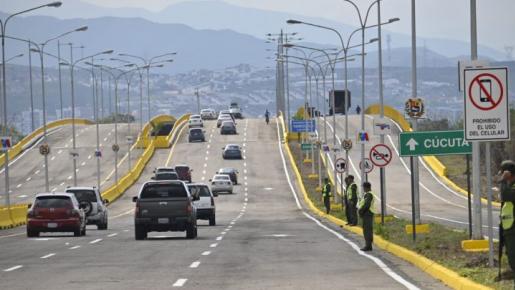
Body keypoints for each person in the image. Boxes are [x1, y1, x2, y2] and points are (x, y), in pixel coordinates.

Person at [499, 160, 515, 276]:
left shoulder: (511, 188)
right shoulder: (510, 186)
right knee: (511, 257)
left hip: (513, 229)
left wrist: (503, 180)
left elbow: (506, 195)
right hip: (509, 229)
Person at [358, 181, 376, 251]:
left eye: (364, 188)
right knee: (366, 229)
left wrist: (361, 211)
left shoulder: (369, 195)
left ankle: (368, 246)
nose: (363, 189)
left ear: (366, 187)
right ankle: (368, 245)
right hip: (366, 214)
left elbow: (367, 205)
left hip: (367, 213)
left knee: (367, 230)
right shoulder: (367, 194)